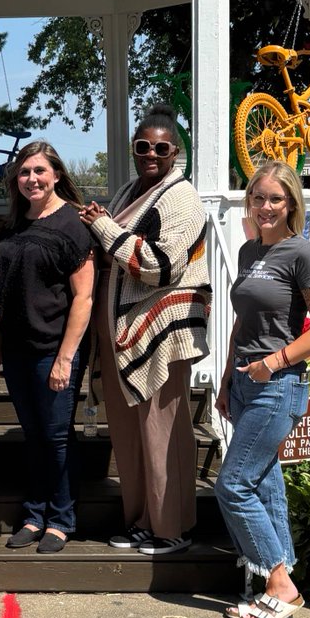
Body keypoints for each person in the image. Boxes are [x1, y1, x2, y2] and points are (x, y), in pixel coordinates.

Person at [79, 104, 211, 556]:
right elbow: (114, 242)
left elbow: (162, 265)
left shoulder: (182, 198)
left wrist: (102, 226)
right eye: (143, 146)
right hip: (121, 334)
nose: (151, 154)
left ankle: (171, 527)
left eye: (160, 147)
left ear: (176, 152)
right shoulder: (127, 191)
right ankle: (141, 521)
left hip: (159, 335)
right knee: (129, 436)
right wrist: (104, 224)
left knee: (163, 434)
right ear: (134, 150)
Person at [215, 161, 310, 618]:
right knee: (265, 485)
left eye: (275, 199)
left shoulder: (302, 254)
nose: (265, 207)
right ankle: (281, 585)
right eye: (258, 198)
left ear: (291, 204)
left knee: (233, 485)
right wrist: (228, 379)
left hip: (278, 384)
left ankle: (279, 582)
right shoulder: (249, 252)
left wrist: (275, 362)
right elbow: (243, 325)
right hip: (245, 383)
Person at [0, 142, 94, 554]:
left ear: (55, 174)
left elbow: (83, 298)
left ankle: (61, 519)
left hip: (54, 348)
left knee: (55, 437)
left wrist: (65, 359)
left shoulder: (72, 225)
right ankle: (35, 514)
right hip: (16, 350)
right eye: (24, 173)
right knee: (34, 436)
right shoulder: (15, 223)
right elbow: (5, 292)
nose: (31, 179)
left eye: (39, 171)